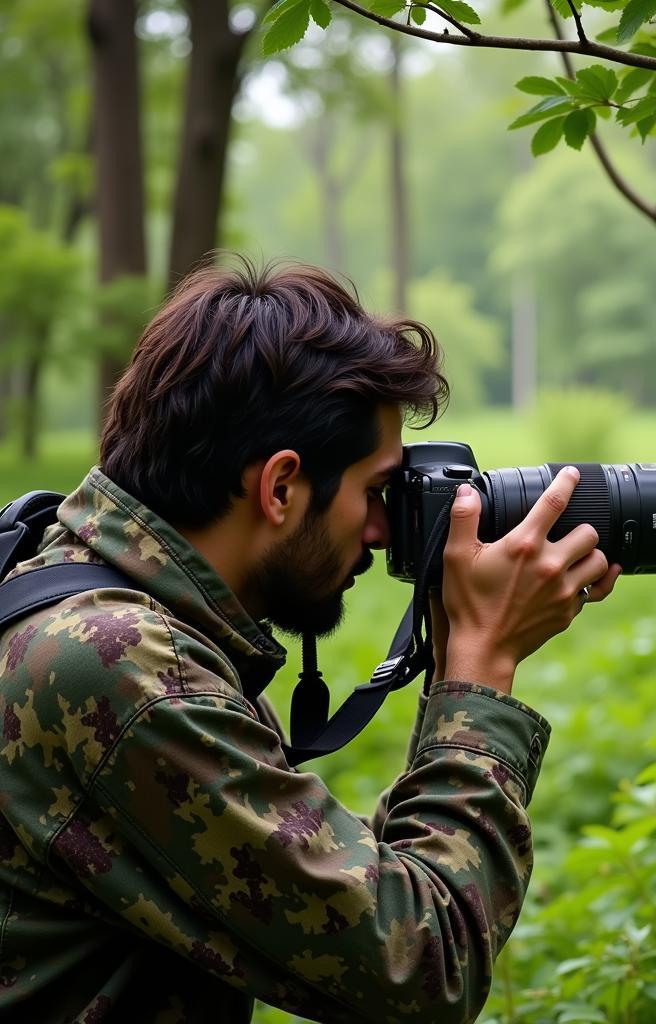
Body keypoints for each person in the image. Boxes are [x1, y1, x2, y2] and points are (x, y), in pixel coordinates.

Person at [0, 259, 620, 1024]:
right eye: (374, 490)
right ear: (282, 487)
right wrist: (481, 672)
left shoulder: (71, 580)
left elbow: (341, 891)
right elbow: (424, 967)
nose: (384, 528)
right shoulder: (121, 668)